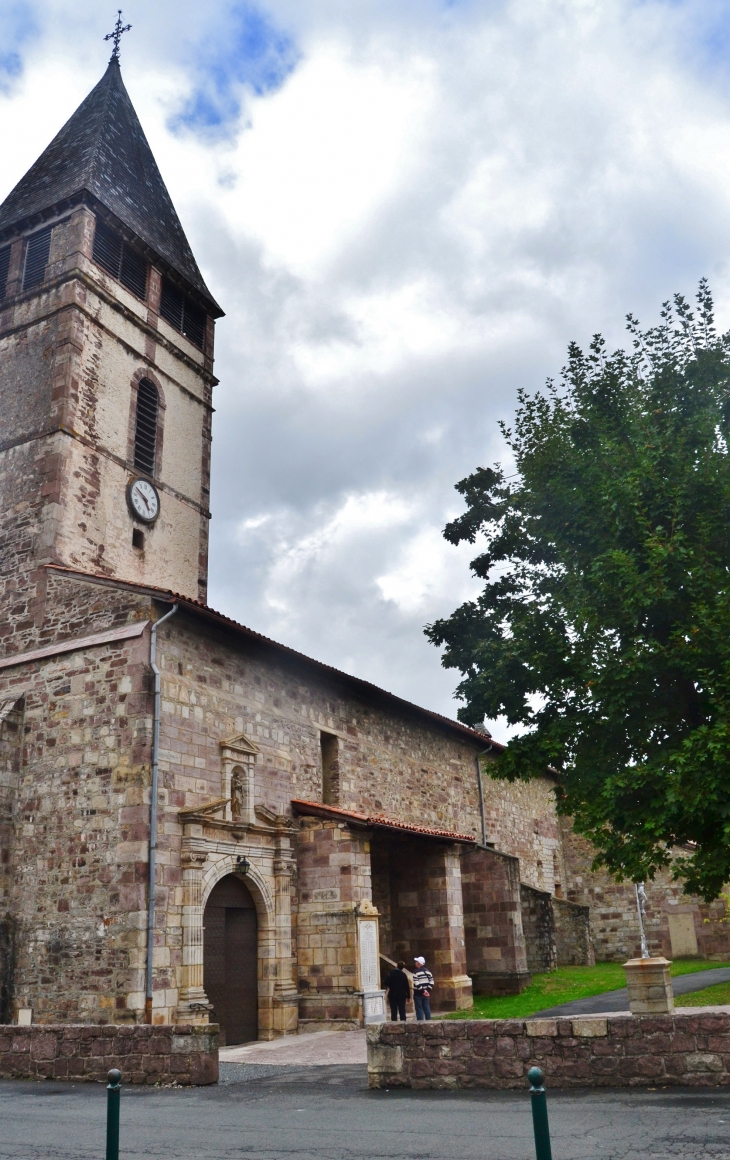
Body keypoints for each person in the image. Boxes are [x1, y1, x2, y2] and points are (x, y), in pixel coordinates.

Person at [412, 956, 434, 1021]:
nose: (415, 963)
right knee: (426, 1007)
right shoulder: (428, 971)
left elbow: (416, 983)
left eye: (416, 962)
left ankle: (420, 1023)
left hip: (418, 993)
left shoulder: (415, 972)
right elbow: (432, 982)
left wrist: (422, 991)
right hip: (426, 993)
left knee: (419, 1008)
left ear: (419, 963)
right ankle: (428, 1021)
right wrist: (427, 990)